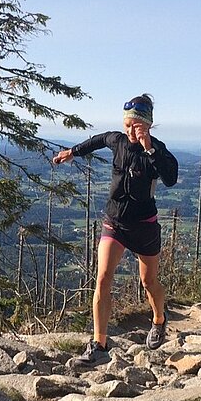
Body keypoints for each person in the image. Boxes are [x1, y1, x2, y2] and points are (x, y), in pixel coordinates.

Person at [52, 94, 178, 366]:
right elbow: (97, 140)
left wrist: (149, 149)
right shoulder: (117, 140)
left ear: (148, 125)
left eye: (136, 125)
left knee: (149, 282)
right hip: (115, 222)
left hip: (144, 226)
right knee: (102, 278)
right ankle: (99, 344)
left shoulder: (158, 150)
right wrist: (72, 152)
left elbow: (170, 178)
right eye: (127, 124)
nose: (130, 130)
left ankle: (159, 319)